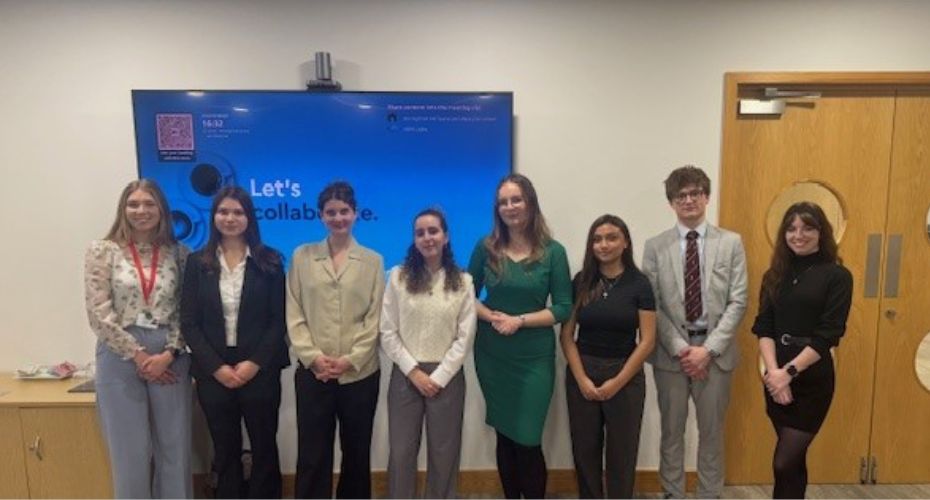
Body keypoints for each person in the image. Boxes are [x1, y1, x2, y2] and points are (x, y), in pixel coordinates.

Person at [642, 165, 748, 499]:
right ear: (671, 202)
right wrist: (680, 348)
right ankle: (672, 493)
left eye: (694, 193)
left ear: (706, 196)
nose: (688, 200)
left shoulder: (731, 243)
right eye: (680, 195)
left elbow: (739, 299)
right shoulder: (655, 246)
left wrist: (708, 350)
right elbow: (651, 305)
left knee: (712, 433)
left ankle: (708, 494)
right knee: (671, 433)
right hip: (671, 355)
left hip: (715, 356)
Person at [84, 179, 192, 498]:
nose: (141, 211)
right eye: (133, 204)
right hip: (120, 355)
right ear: (123, 209)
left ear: (162, 210)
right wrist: (139, 356)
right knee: (128, 453)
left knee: (175, 450)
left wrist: (168, 353)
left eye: (149, 204)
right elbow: (98, 312)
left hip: (169, 355)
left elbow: (186, 310)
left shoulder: (179, 253)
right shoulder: (101, 251)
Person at [468, 173, 573, 499]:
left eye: (516, 199)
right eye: (503, 202)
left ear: (530, 203)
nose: (510, 207)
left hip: (533, 358)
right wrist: (492, 316)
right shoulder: (485, 248)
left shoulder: (553, 252)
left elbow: (563, 307)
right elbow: (462, 293)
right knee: (505, 435)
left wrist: (520, 321)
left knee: (528, 437)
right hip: (492, 353)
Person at [181, 187, 288, 498]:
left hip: (259, 369)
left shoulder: (269, 261)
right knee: (224, 448)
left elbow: (277, 320)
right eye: (224, 212)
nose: (230, 218)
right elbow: (189, 322)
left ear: (249, 218)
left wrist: (253, 364)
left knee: (264, 446)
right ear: (214, 216)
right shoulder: (197, 263)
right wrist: (216, 367)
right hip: (213, 371)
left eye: (238, 212)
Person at [286, 181, 385, 498]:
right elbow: (294, 313)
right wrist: (313, 357)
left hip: (359, 374)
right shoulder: (302, 257)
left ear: (355, 213)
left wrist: (350, 359)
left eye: (344, 211)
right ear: (321, 216)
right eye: (331, 212)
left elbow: (375, 317)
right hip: (314, 374)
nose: (338, 217)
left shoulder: (373, 261)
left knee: (356, 454)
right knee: (313, 454)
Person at [752, 202, 852, 499]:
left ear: (822, 233)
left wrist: (789, 373)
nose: (799, 235)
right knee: (793, 462)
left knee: (783, 462)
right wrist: (773, 373)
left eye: (808, 228)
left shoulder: (837, 275)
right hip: (774, 376)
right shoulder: (774, 275)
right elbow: (764, 327)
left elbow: (828, 335)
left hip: (811, 378)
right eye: (792, 228)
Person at [380, 208, 477, 498]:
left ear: (445, 236)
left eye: (433, 231)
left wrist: (440, 375)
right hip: (406, 375)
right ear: (414, 239)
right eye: (420, 232)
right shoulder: (397, 277)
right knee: (400, 452)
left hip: (446, 378)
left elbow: (465, 336)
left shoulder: (463, 281)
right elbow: (387, 331)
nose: (427, 238)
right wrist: (414, 371)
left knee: (444, 454)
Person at [561, 215, 656, 498]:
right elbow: (567, 337)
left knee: (622, 454)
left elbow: (648, 340)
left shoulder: (639, 284)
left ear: (625, 242)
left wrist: (617, 381)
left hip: (625, 375)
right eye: (597, 239)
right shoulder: (581, 281)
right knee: (585, 451)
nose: (604, 244)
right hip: (583, 373)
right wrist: (581, 379)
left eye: (612, 237)